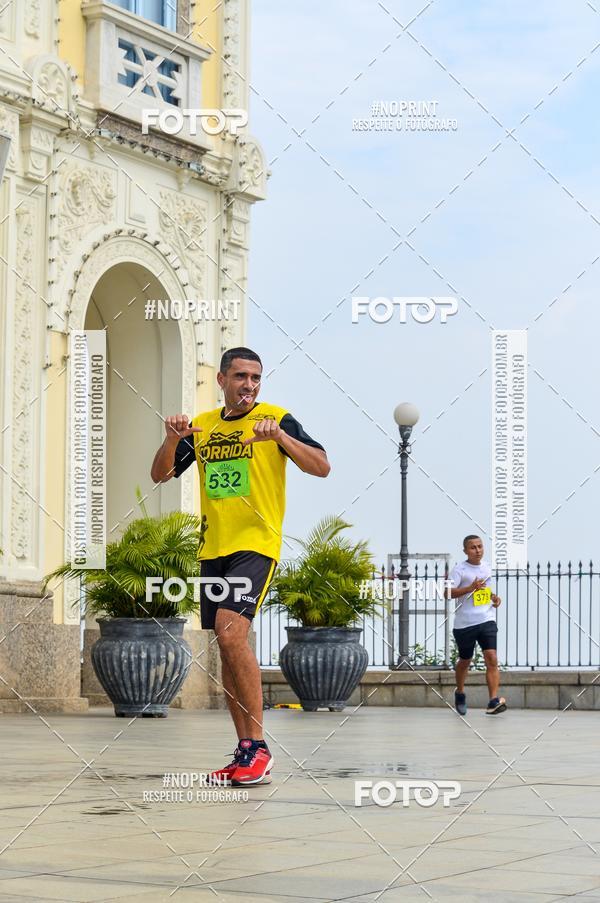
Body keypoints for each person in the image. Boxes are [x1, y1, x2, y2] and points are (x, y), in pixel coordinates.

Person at [150, 347, 330, 785]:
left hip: (256, 544)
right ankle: (245, 749)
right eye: (240, 376)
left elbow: (322, 466)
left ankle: (260, 748)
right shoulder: (204, 426)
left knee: (231, 632)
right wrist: (172, 439)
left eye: (255, 377)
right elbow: (160, 475)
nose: (249, 385)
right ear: (222, 380)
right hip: (213, 548)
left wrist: (280, 438)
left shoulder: (275, 418)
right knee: (227, 645)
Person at [448, 535, 506, 716]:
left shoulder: (487, 567)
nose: (478, 550)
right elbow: (447, 593)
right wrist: (469, 588)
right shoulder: (459, 570)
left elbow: (485, 591)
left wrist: (494, 599)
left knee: (492, 658)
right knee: (465, 660)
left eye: (480, 546)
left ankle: (493, 700)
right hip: (465, 624)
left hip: (487, 619)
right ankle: (460, 693)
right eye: (473, 547)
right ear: (465, 550)